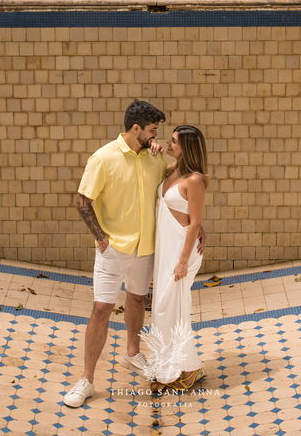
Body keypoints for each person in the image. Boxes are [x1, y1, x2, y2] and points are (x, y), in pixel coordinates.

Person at [65, 100, 181, 407]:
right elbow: (81, 201)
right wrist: (102, 240)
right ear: (136, 128)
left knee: (136, 298)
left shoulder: (153, 158)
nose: (156, 136)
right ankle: (87, 379)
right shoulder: (103, 158)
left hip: (145, 250)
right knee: (101, 310)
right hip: (113, 249)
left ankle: (133, 353)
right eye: (153, 131)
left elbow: (173, 180)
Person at [143, 124, 208, 390]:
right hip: (166, 249)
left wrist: (182, 261)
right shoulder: (173, 170)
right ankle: (173, 366)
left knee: (172, 310)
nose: (168, 144)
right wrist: (154, 149)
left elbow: (194, 223)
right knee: (165, 309)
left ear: (187, 147)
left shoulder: (195, 179)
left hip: (181, 252)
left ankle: (187, 369)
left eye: (173, 142)